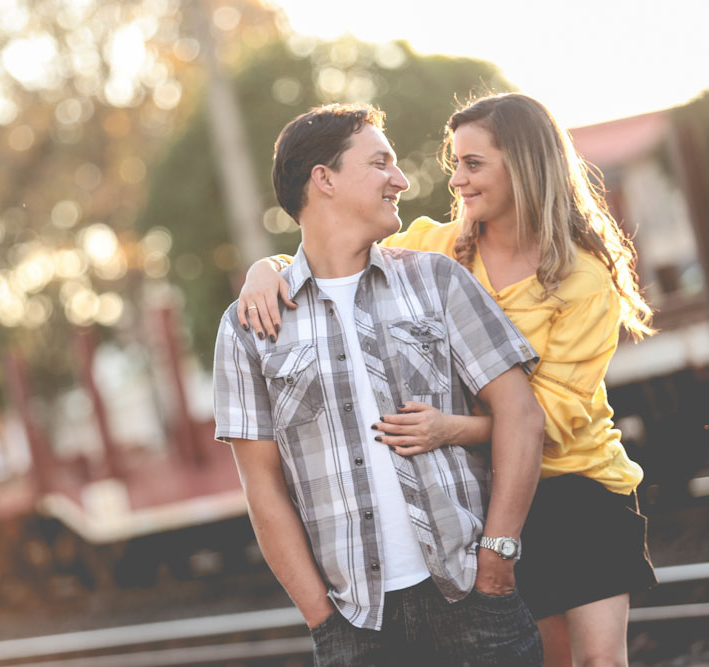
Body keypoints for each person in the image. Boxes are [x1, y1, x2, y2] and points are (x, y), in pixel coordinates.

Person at [237, 93, 657, 667]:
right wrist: (269, 269)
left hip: (577, 481)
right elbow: (338, 253)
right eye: (454, 163)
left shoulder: (583, 279)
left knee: (600, 661)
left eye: (473, 164)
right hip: (500, 489)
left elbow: (553, 415)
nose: (455, 179)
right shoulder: (441, 250)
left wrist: (451, 429)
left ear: (525, 165)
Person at [213, 102, 545, 666]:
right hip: (358, 627)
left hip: (473, 596)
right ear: (325, 180)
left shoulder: (436, 281)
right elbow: (262, 489)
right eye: (380, 163)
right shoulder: (249, 328)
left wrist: (497, 560)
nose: (402, 179)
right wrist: (323, 620)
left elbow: (521, 414)